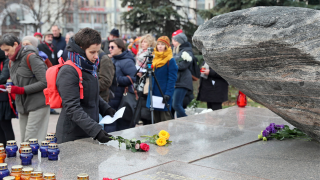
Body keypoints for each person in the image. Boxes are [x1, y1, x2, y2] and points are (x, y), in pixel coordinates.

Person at [55, 28, 116, 144]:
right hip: (72, 136)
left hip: (87, 132)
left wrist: (106, 108)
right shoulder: (68, 71)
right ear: (80, 49)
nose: (96, 56)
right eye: (92, 52)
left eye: (98, 51)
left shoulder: (88, 66)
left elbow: (91, 93)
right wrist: (96, 130)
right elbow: (72, 108)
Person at [0, 34, 50, 143]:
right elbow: (18, 83)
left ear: (15, 44)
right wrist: (5, 87)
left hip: (38, 104)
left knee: (31, 142)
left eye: (7, 50)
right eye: (3, 51)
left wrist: (21, 90)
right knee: (24, 143)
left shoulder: (31, 57)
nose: (6, 53)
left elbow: (45, 82)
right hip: (22, 107)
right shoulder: (10, 62)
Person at [106, 38, 136, 132]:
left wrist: (116, 80)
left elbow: (133, 78)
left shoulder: (127, 61)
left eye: (112, 47)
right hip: (112, 96)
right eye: (109, 47)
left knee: (120, 124)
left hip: (122, 97)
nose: (110, 49)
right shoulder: (112, 59)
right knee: (110, 122)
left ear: (120, 48)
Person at [146, 36, 178, 123]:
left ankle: (166, 136)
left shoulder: (170, 61)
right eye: (158, 44)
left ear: (167, 47)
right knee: (155, 121)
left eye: (162, 45)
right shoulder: (154, 58)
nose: (160, 46)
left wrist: (168, 94)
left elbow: (172, 79)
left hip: (163, 94)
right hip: (153, 93)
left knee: (165, 121)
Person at [171, 30, 193, 118]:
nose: (173, 42)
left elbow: (183, 66)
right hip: (178, 81)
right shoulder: (178, 51)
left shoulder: (186, 51)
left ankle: (188, 120)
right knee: (177, 105)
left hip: (183, 81)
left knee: (176, 105)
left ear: (180, 42)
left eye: (175, 41)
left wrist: (172, 65)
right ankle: (182, 124)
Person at [0, 49, 16, 148]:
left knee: (6, 126)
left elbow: (3, 77)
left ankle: (11, 150)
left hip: (3, 99)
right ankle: (2, 150)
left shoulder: (6, 61)